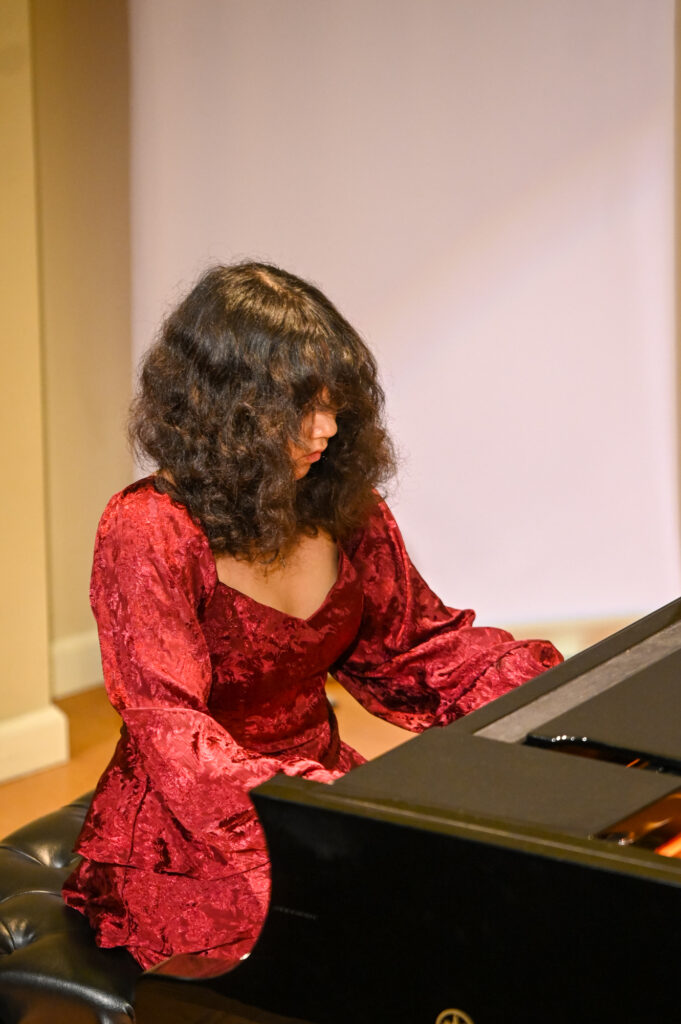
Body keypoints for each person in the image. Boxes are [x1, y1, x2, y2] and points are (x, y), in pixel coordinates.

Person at [62, 262, 561, 971]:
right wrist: (312, 807)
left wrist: (551, 702)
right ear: (223, 409)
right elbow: (171, 732)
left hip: (319, 790)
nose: (325, 428)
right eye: (299, 407)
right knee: (345, 944)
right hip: (197, 825)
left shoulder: (337, 502)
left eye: (333, 404)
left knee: (470, 903)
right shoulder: (147, 528)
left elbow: (416, 646)